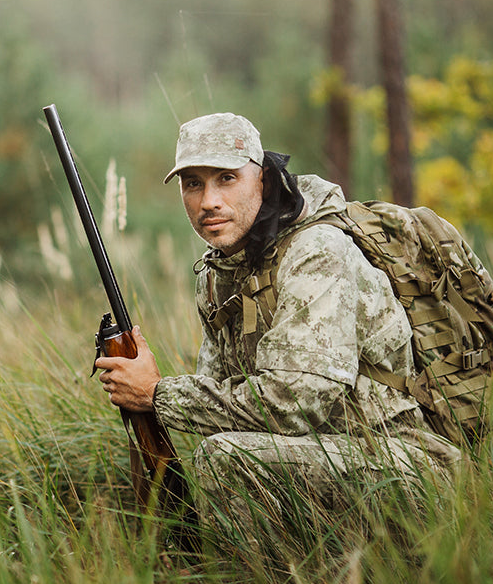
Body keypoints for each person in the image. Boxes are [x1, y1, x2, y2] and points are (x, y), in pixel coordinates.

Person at [92, 113, 460, 553]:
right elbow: (222, 408)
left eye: (226, 178)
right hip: (328, 458)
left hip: (406, 467)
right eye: (193, 183)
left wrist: (158, 395)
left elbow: (296, 403)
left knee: (226, 460)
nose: (208, 200)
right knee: (219, 450)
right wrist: (148, 401)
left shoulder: (317, 251)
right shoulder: (217, 274)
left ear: (263, 180)